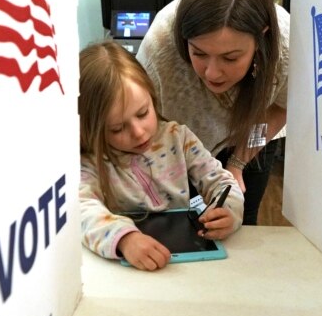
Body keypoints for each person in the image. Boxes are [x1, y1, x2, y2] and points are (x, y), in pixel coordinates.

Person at [136, 0, 289, 225]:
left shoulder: (285, 45)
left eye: (230, 58)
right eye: (199, 54)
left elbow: (281, 107)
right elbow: (142, 121)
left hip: (253, 131)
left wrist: (238, 164)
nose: (213, 73)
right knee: (183, 219)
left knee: (240, 220)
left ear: (261, 36)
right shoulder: (160, 45)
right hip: (179, 141)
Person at [79, 41, 244, 271]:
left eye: (143, 113)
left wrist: (228, 210)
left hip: (187, 264)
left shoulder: (179, 137)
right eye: (117, 128)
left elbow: (222, 181)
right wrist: (124, 238)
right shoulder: (91, 162)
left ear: (152, 95)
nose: (138, 132)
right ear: (92, 129)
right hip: (128, 270)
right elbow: (81, 210)